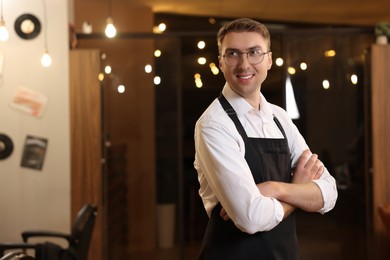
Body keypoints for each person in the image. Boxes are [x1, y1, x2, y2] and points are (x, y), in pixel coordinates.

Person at [193, 18, 338, 259]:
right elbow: (251, 218)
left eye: (254, 52)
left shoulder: (280, 118)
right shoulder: (213, 124)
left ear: (269, 60)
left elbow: (329, 193)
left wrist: (273, 188)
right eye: (233, 54)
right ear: (221, 62)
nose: (244, 64)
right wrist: (296, 191)